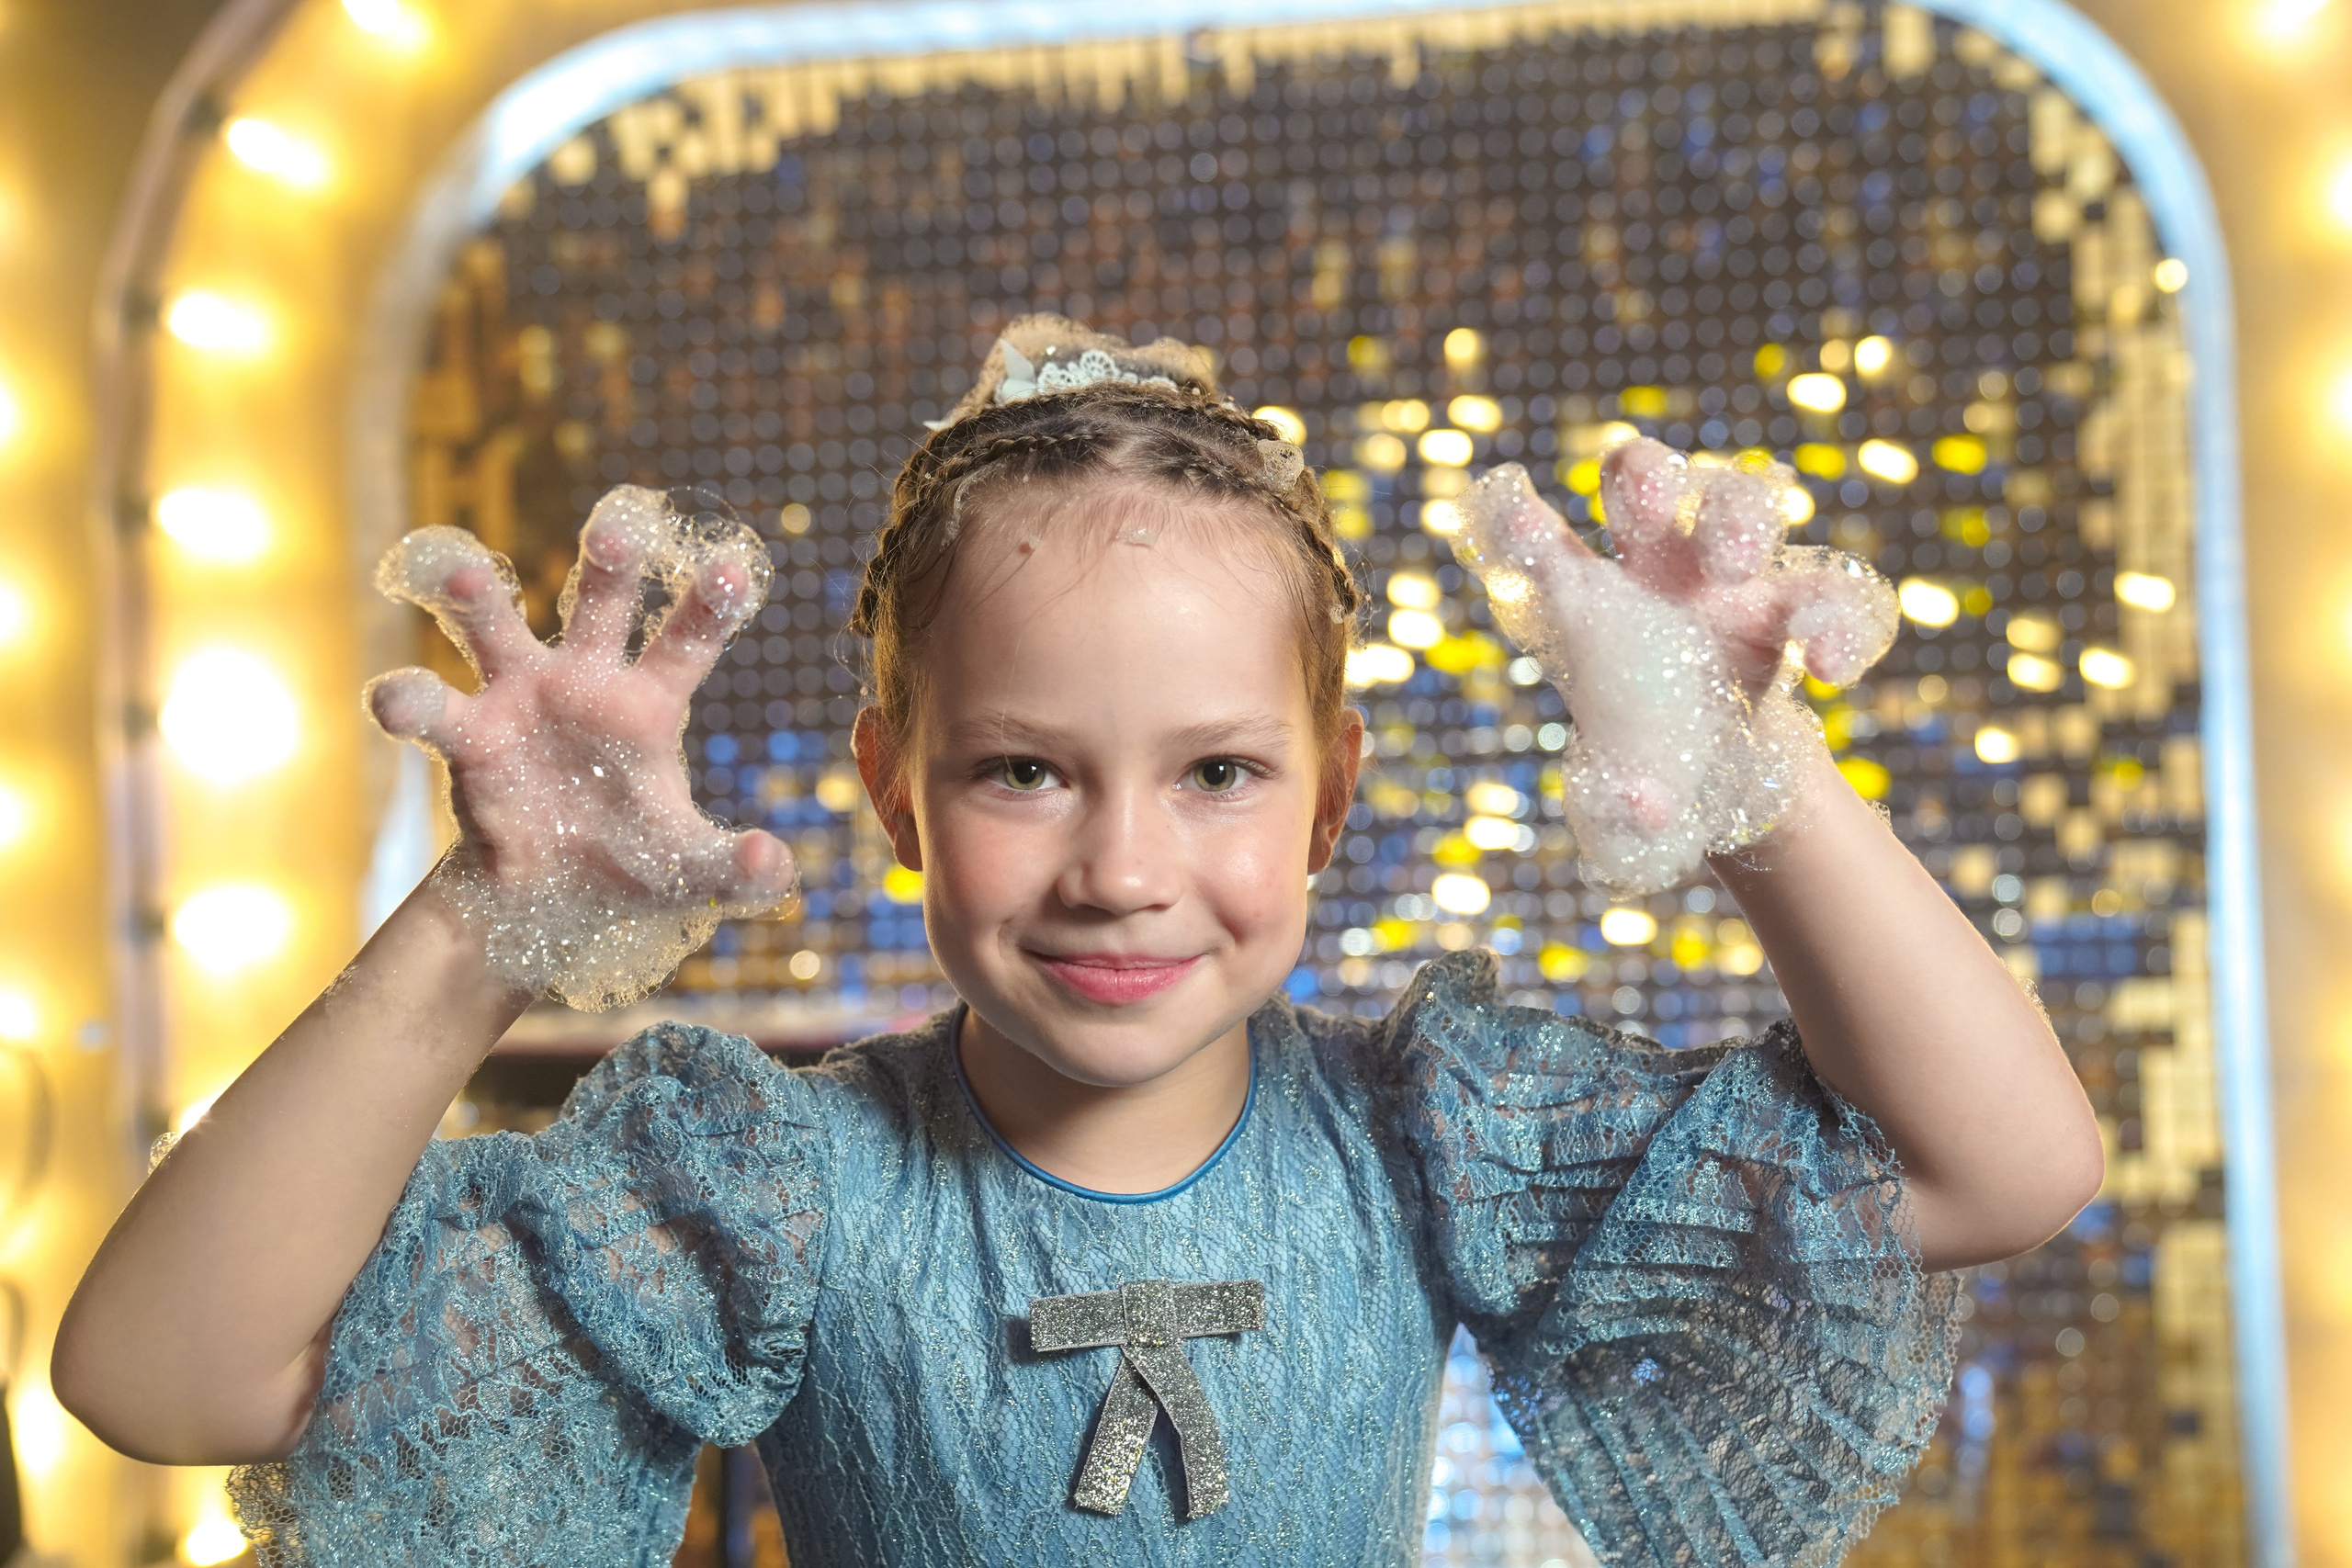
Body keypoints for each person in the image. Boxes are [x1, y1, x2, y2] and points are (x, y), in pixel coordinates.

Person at [52, 316, 2101, 1566]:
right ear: (891, 788)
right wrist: (480, 927)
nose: (1121, 865)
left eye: (1214, 771)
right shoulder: (779, 1186)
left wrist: (1753, 787)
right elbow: (158, 1373)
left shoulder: (1422, 1135)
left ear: (1330, 787)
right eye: (1023, 770)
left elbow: (1996, 1165)